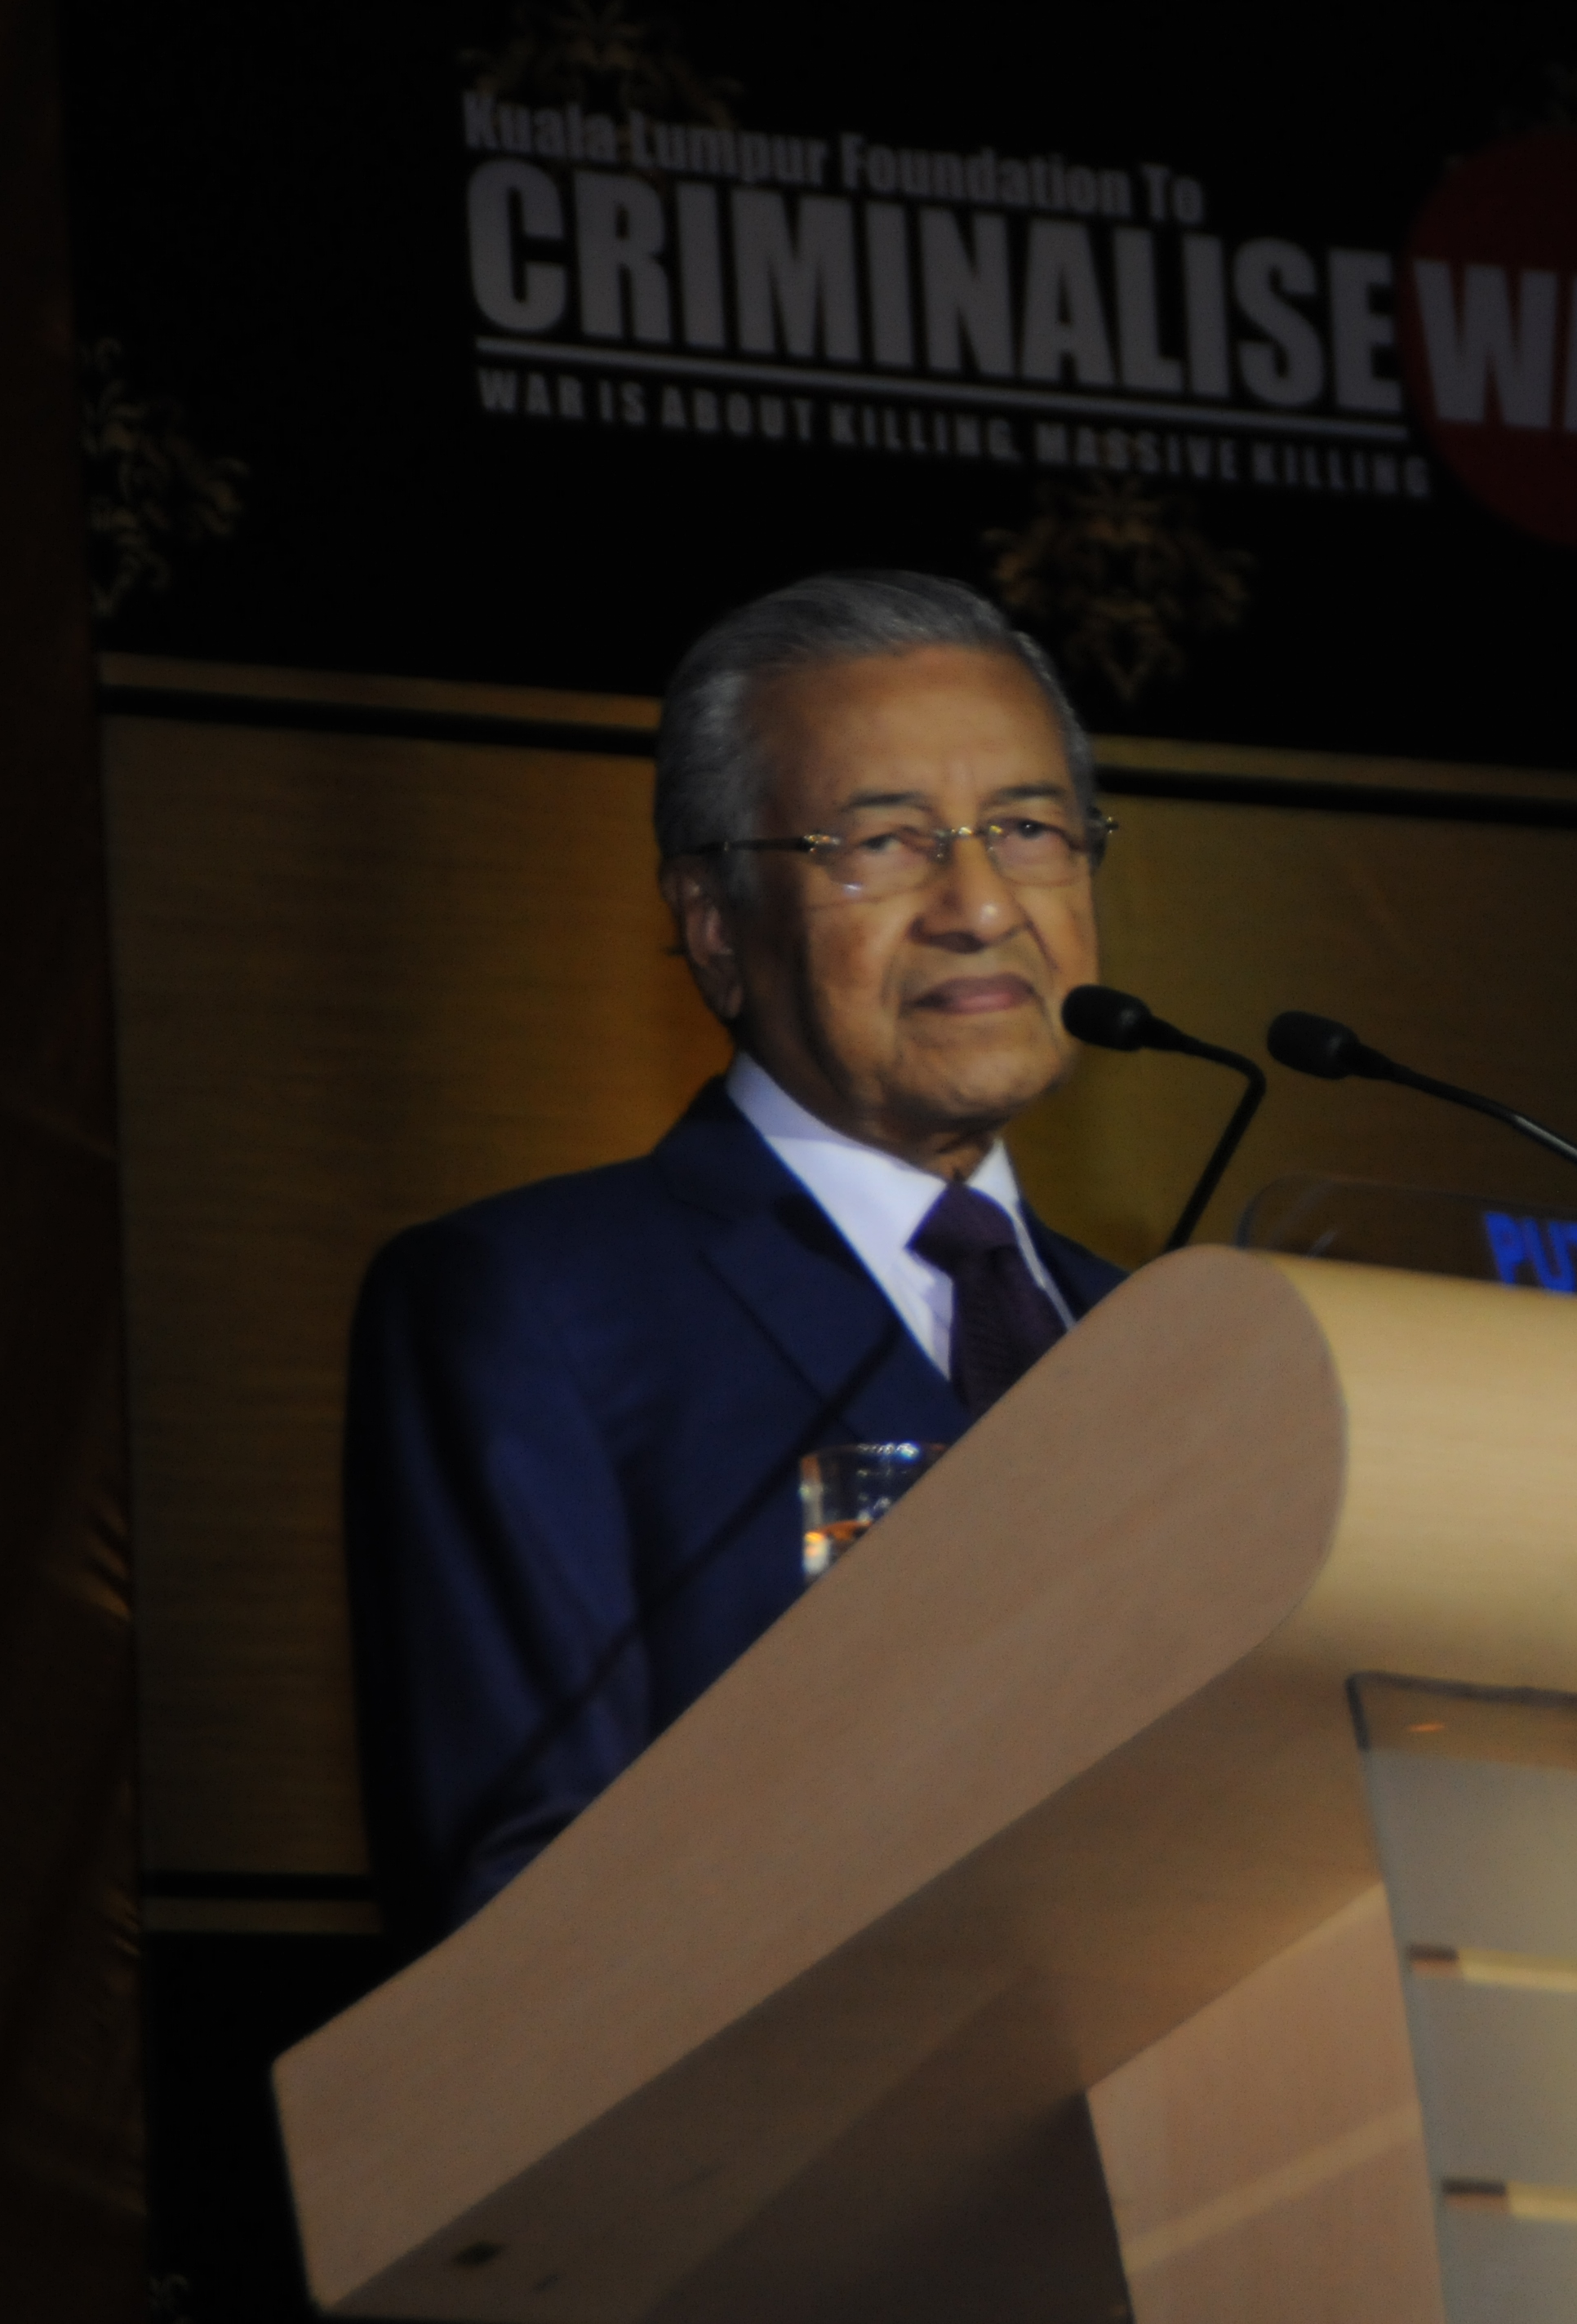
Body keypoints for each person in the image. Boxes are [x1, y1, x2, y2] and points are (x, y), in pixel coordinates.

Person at [344, 570, 1127, 1949]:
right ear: (715, 922)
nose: (980, 904)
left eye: (1026, 828)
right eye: (883, 842)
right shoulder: (530, 1307)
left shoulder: (1154, 1330)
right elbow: (521, 1912)